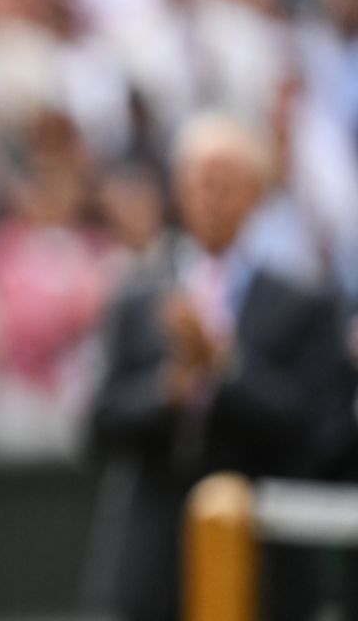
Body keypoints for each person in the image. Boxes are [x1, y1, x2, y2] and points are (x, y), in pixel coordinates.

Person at [82, 111, 358, 621]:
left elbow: (320, 433)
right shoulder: (140, 297)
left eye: (224, 183)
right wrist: (169, 390)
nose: (209, 196)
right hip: (150, 564)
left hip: (264, 564)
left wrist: (226, 367)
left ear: (256, 193)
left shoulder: (301, 303)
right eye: (198, 181)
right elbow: (99, 424)